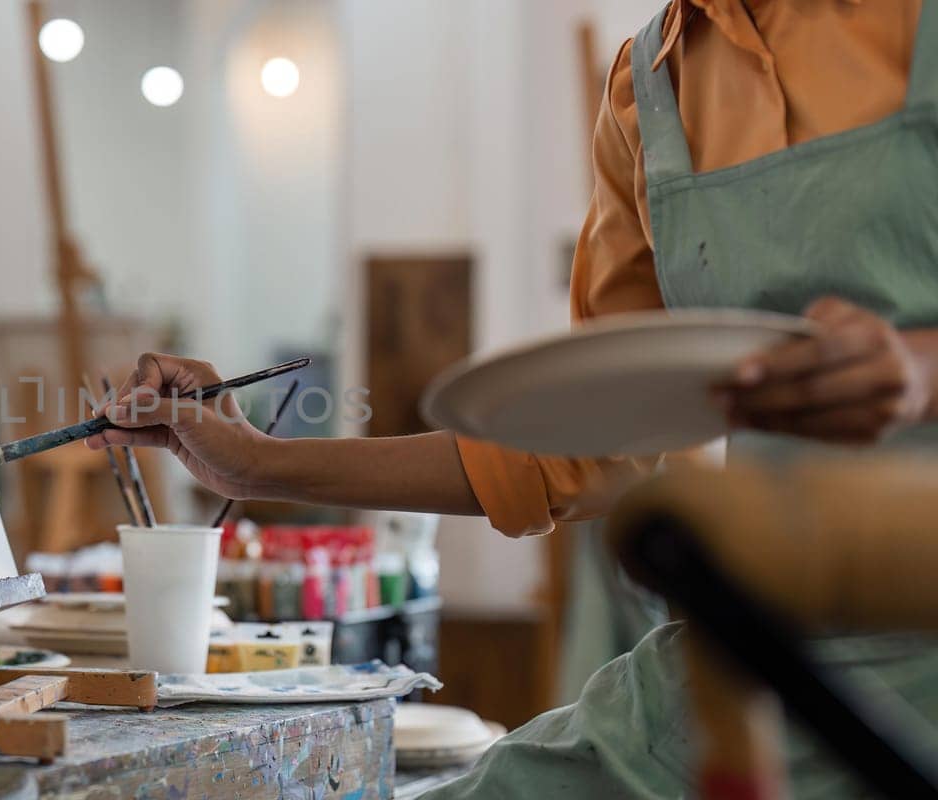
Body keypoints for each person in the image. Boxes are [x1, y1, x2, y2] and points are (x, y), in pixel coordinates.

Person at [89, 1, 938, 796]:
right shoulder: (652, 86)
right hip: (755, 642)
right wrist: (256, 464)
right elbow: (585, 451)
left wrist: (919, 369)